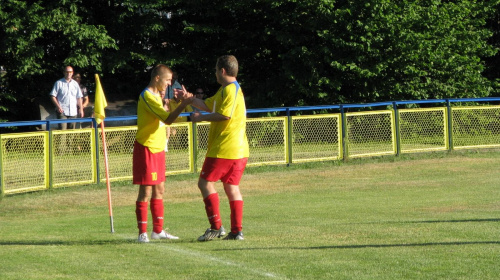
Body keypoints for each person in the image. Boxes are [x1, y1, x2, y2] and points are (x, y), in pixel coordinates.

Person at [189, 55, 249, 241]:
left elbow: (224, 116)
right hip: (239, 149)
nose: (215, 73)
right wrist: (188, 98)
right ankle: (236, 231)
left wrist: (200, 118)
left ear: (222, 71)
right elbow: (207, 105)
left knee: (205, 183)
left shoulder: (231, 90)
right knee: (231, 187)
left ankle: (216, 227)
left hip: (225, 147)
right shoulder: (224, 90)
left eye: (216, 70)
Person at [133, 64, 193, 243]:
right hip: (147, 147)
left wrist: (178, 103)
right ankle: (142, 233)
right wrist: (184, 103)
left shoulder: (158, 96)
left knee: (160, 189)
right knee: (146, 191)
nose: (169, 84)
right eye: (167, 80)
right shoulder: (147, 96)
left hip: (158, 147)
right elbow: (167, 119)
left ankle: (157, 230)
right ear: (157, 78)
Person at [50, 66, 84, 130]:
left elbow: (79, 97)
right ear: (64, 73)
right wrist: (58, 107)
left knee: (71, 134)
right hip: (62, 111)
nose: (69, 73)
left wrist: (81, 109)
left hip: (73, 112)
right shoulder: (58, 83)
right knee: (62, 133)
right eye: (67, 72)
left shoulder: (75, 84)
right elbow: (53, 96)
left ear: (72, 73)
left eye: (70, 72)